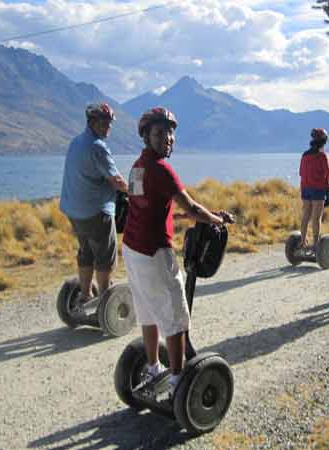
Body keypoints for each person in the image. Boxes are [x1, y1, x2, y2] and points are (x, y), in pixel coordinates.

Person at [122, 106, 233, 398]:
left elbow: (150, 209)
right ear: (146, 136)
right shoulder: (161, 169)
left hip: (132, 251)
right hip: (154, 253)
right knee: (176, 317)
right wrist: (217, 220)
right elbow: (191, 206)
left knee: (147, 311)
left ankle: (153, 366)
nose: (168, 138)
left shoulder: (137, 167)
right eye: (160, 133)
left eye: (170, 132)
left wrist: (202, 216)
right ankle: (177, 380)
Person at [59, 103, 128, 303]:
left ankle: (85, 294)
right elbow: (116, 180)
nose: (108, 127)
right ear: (91, 122)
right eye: (104, 123)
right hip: (96, 211)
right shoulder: (97, 146)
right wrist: (135, 191)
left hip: (74, 210)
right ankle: (106, 298)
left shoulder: (76, 142)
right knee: (105, 256)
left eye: (110, 123)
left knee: (86, 251)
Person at [298, 128, 329, 251]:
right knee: (316, 218)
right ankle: (315, 244)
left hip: (305, 188)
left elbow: (301, 172)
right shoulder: (322, 155)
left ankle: (302, 241)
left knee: (306, 216)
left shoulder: (304, 155)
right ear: (324, 141)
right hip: (318, 190)